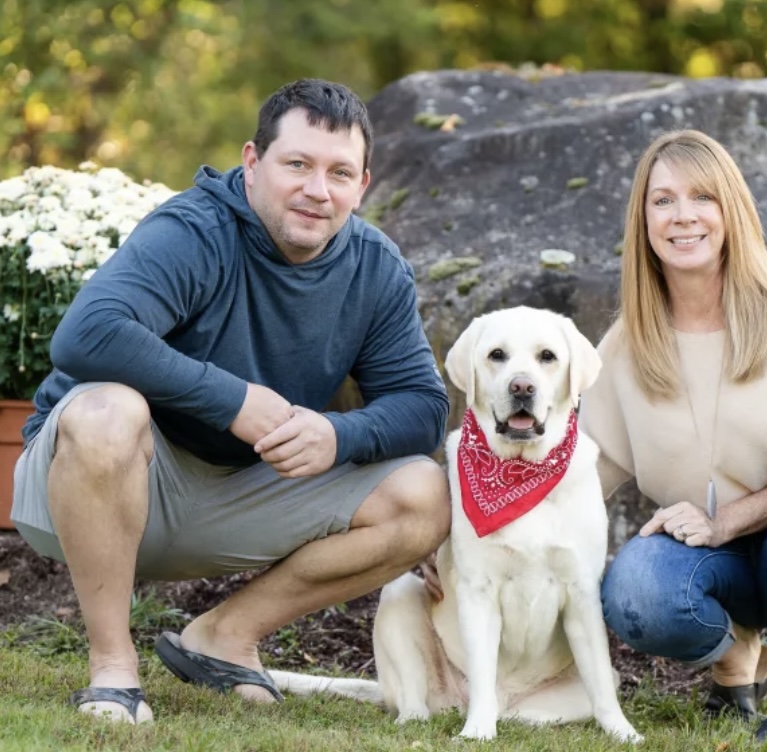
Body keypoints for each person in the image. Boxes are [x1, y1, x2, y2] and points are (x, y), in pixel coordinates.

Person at [11, 78, 451, 724]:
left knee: (424, 493)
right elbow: (87, 333)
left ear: (363, 185)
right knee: (106, 410)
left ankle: (224, 637)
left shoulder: (375, 268)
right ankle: (112, 672)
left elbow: (422, 405)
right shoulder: (196, 229)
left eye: (339, 173)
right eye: (296, 164)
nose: (316, 189)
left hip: (239, 497)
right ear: (252, 163)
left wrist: (338, 437)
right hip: (100, 484)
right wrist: (233, 400)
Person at [579, 130, 767, 745]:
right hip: (714, 568)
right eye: (663, 200)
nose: (683, 216)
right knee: (636, 588)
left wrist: (728, 520)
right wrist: (461, 534)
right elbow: (573, 467)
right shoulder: (626, 344)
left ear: (732, 210)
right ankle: (734, 661)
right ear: (643, 219)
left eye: (703, 197)